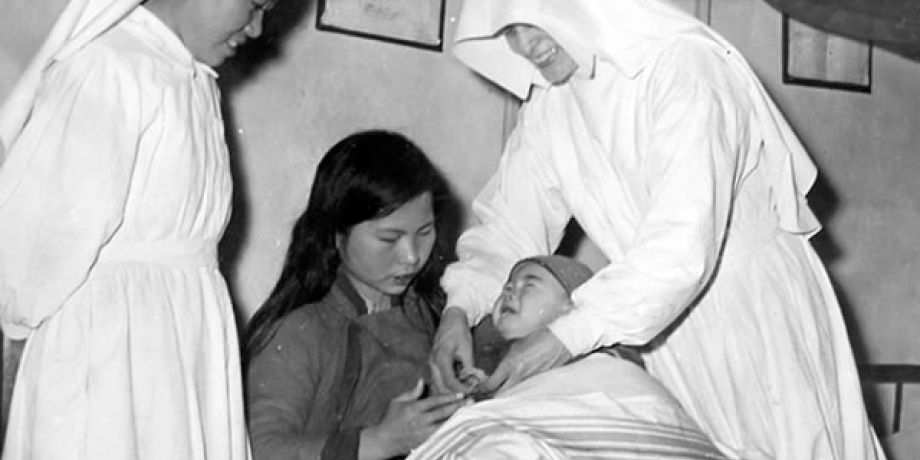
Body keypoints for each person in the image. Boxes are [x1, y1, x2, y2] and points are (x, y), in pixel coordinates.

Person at [428, 0, 886, 459]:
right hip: (662, 327)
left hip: (753, 312)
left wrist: (566, 335)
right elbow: (509, 227)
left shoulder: (685, 66)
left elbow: (680, 245)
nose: (526, 45)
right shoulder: (551, 108)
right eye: (509, 31)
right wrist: (459, 312)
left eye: (534, 22)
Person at [0, 0, 276, 457]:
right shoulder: (109, 66)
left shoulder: (194, 79)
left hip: (177, 345)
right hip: (109, 358)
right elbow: (36, 248)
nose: (258, 28)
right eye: (255, 4)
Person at [245, 130, 468, 460]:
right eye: (389, 239)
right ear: (336, 234)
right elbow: (262, 450)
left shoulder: (432, 313)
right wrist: (378, 442)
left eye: (424, 232)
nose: (411, 256)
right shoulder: (297, 333)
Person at [410, 254, 729, 459]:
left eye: (529, 284)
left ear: (572, 308)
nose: (509, 291)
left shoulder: (611, 375)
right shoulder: (496, 380)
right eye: (507, 285)